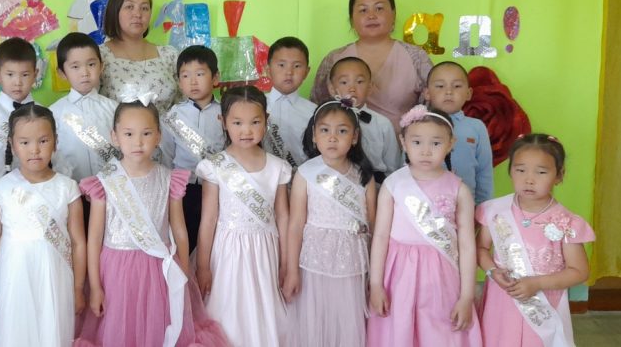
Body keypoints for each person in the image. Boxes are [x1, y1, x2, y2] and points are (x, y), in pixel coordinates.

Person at [75, 99, 228, 347]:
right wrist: (94, 286)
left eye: (146, 133)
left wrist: (183, 270)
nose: (138, 142)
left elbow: (178, 228)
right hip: (116, 272)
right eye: (129, 134)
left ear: (158, 136)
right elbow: (94, 239)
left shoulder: (169, 178)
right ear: (114, 136)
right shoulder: (104, 182)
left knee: (160, 327)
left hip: (159, 270)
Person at [368, 105, 482, 346]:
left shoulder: (459, 189)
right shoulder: (393, 184)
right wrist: (376, 284)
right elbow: (380, 237)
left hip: (442, 276)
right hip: (398, 274)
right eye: (417, 142)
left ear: (450, 144)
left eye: (436, 143)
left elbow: (467, 246)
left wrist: (466, 296)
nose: (426, 151)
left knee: (439, 333)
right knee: (399, 328)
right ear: (403, 142)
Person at [0, 104, 87, 346]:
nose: (35, 149)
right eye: (25, 142)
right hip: (14, 276)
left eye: (43, 141)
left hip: (56, 277)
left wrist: (79, 287)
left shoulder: (67, 188)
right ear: (12, 144)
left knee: (52, 332)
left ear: (55, 142)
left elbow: (78, 242)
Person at [196, 86, 292, 347]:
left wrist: (286, 263)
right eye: (237, 123)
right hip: (227, 252)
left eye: (255, 122)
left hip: (265, 252)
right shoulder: (215, 166)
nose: (246, 130)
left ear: (266, 121)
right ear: (223, 122)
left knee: (263, 313)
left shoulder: (278, 167)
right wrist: (203, 266)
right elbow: (208, 219)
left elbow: (283, 217)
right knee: (226, 310)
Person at [477, 134, 592, 347]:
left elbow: (579, 271)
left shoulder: (566, 222)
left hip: (544, 303)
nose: (529, 179)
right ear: (510, 171)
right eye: (520, 170)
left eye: (541, 172)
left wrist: (536, 283)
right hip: (501, 299)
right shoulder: (494, 210)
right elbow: (481, 248)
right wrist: (492, 271)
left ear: (559, 175)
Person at [282, 97, 377, 346]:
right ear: (314, 135)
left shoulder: (364, 177)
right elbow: (295, 225)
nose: (332, 138)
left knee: (346, 321)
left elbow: (374, 228)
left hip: (353, 264)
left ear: (354, 137)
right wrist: (291, 271)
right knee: (315, 320)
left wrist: (374, 275)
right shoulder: (305, 174)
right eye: (325, 130)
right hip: (313, 262)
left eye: (342, 131)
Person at [311, 0, 433, 128]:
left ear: (393, 15)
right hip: (346, 141)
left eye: (379, 8)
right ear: (352, 19)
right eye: (363, 10)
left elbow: (433, 107)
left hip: (404, 141)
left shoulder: (416, 57)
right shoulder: (334, 59)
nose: (371, 16)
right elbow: (317, 109)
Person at [160, 45, 224, 251]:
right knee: (184, 239)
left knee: (213, 239)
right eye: (185, 76)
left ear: (215, 77)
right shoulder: (173, 115)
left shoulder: (226, 112)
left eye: (200, 74)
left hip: (216, 187)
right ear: (179, 82)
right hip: (184, 188)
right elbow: (167, 153)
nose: (193, 81)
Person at [0, 37, 41, 223]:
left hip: (39, 197)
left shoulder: (45, 114)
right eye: (10, 74)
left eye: (25, 75)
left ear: (35, 74)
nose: (17, 82)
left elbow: (55, 158)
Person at [97, 0, 180, 111]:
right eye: (129, 7)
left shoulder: (169, 55)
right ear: (115, 11)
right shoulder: (98, 56)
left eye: (144, 8)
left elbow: (185, 105)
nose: (138, 14)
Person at [49, 32, 119, 182]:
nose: (85, 73)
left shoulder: (114, 109)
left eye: (91, 64)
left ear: (101, 66)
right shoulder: (53, 114)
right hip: (70, 189)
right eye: (75, 66)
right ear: (62, 73)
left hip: (111, 187)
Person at [425, 61, 494, 204]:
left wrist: (484, 208)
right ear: (427, 93)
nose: (449, 92)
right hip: (424, 206)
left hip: (466, 206)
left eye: (456, 86)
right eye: (440, 86)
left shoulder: (476, 127)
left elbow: (484, 172)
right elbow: (405, 165)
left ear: (468, 93)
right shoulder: (418, 124)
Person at [327, 57, 401, 183]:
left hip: (376, 183)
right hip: (333, 182)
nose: (352, 88)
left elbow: (393, 166)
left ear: (370, 87)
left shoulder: (383, 124)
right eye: (344, 82)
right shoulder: (323, 121)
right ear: (332, 89)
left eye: (359, 82)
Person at [264, 37, 316, 169]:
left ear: (306, 72)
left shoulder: (314, 112)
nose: (289, 72)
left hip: (302, 177)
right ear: (268, 70)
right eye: (281, 65)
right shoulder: (255, 105)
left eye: (297, 66)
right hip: (263, 177)